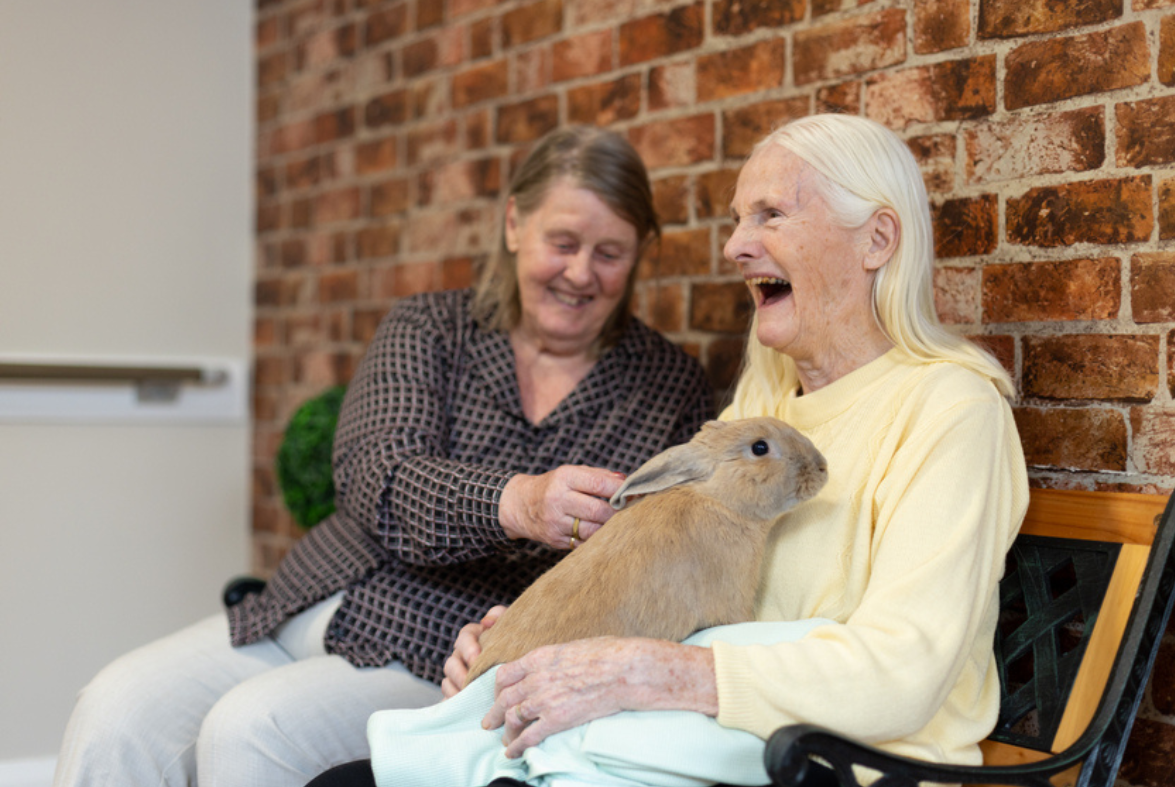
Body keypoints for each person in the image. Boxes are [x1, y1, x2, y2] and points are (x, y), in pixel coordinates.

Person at [308, 112, 1029, 787]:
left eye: (770, 214)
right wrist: (527, 641)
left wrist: (657, 674)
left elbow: (903, 671)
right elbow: (659, 578)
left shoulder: (954, 408)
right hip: (707, 742)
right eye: (738, 219)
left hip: (835, 765)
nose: (734, 246)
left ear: (876, 240)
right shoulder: (767, 397)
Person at [52, 125, 714, 787]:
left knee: (251, 729)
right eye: (562, 243)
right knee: (114, 709)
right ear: (514, 223)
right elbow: (377, 476)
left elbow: (645, 565)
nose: (580, 273)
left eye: (609, 253)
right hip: (308, 603)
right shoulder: (428, 326)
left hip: (441, 645)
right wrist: (520, 502)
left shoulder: (668, 389)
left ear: (639, 255)